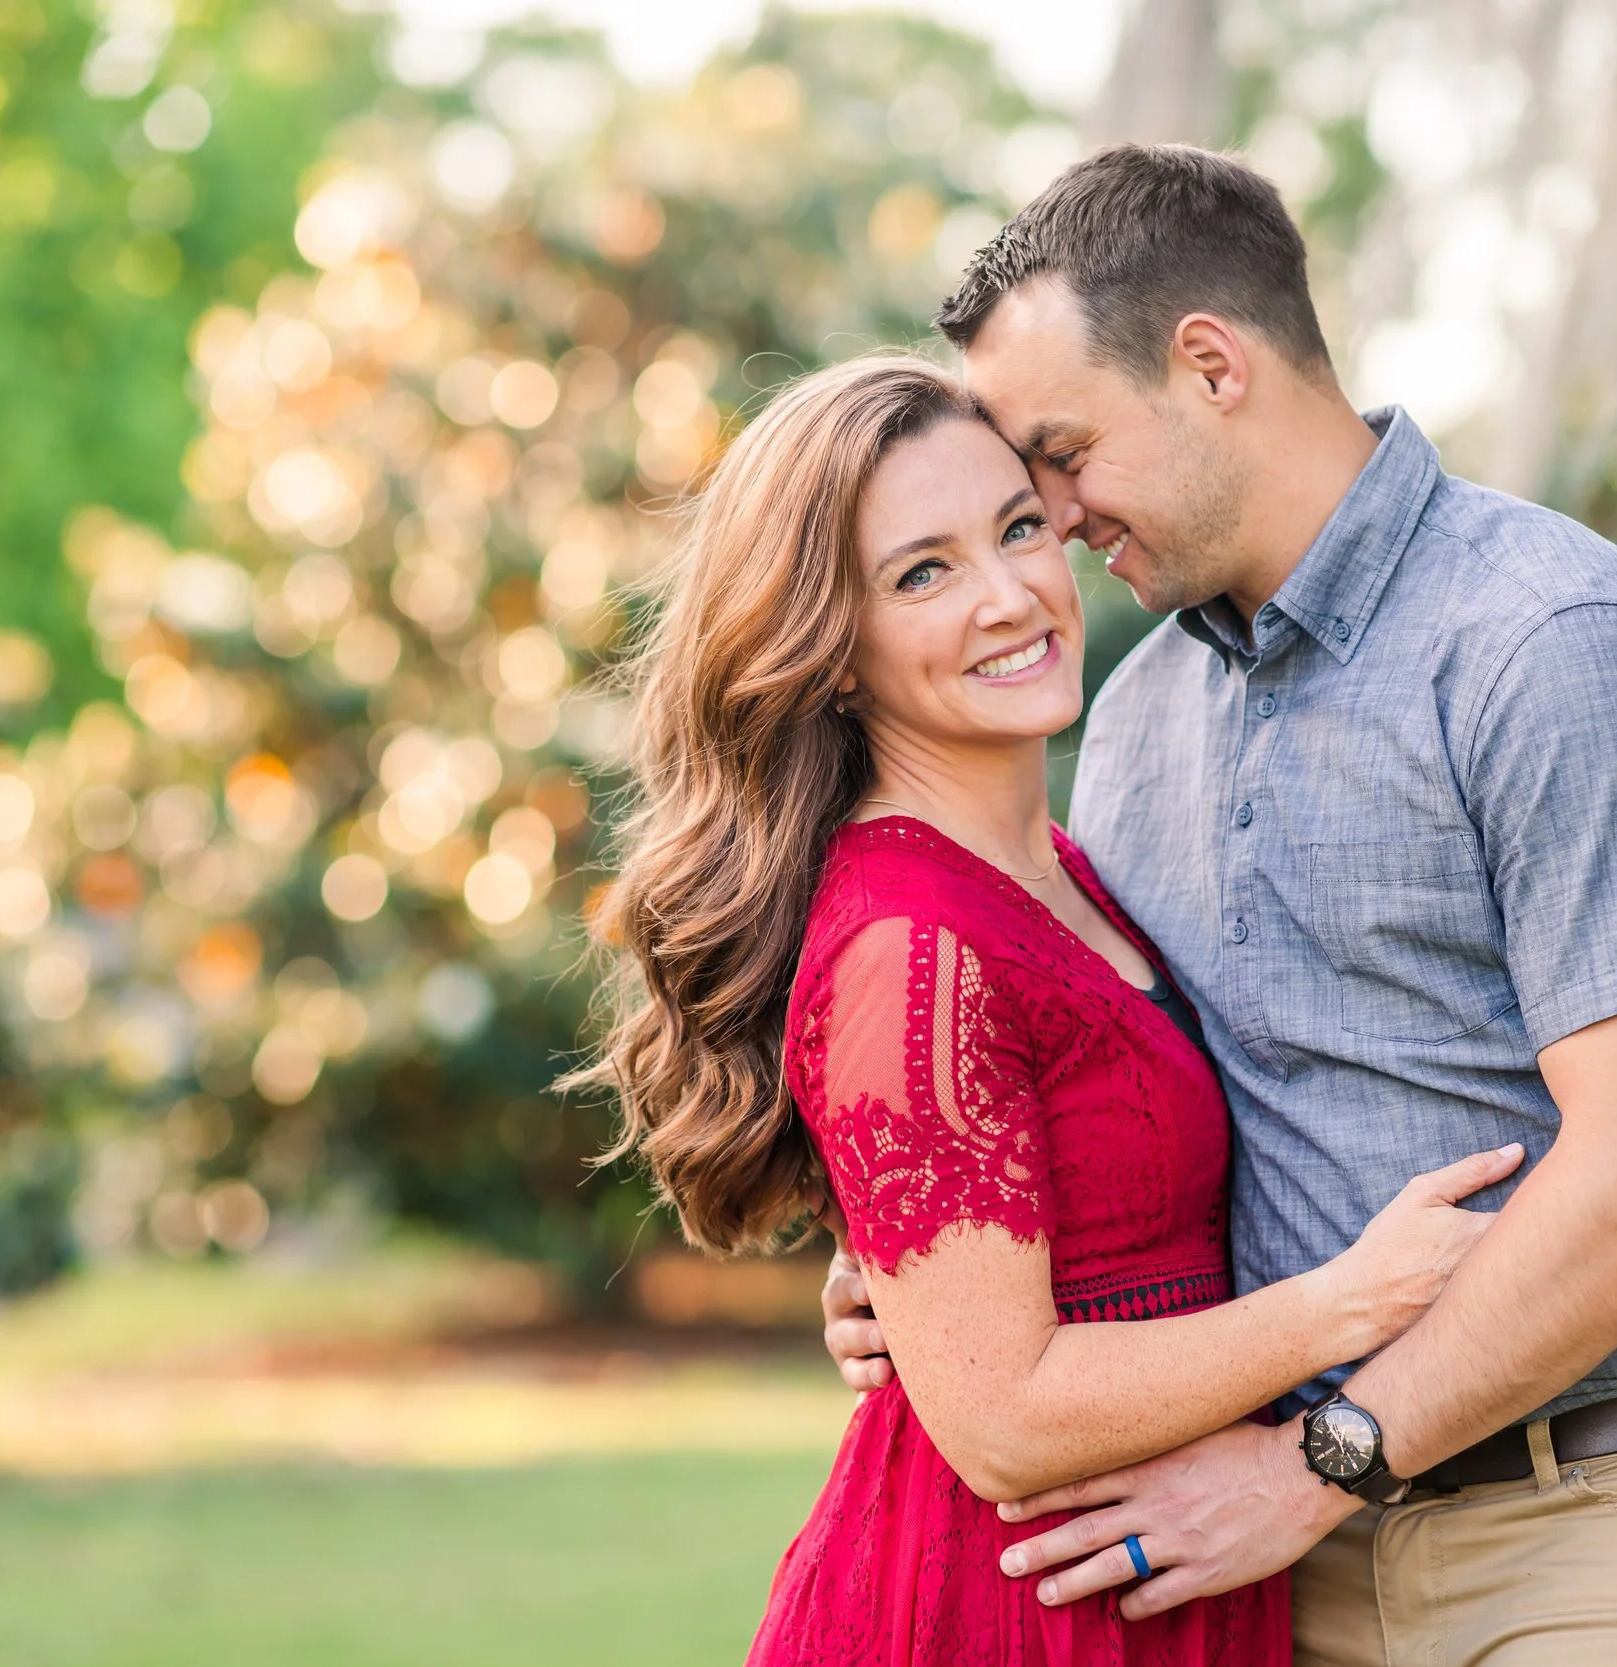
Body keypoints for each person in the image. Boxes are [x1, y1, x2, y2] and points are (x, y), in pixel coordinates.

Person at [822, 145, 1617, 1666]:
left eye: (1065, 453)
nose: (1057, 518)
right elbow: (1146, 1108)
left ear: (1210, 365)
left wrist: (1325, 1454)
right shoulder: (1134, 717)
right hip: (1259, 1550)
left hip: (1594, 1515)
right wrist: (930, 1256)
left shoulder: (1548, 641)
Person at [577, 350, 1527, 1665]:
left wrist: (906, 1287)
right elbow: (1006, 1413)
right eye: (924, 571)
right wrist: (1352, 1301)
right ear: (833, 652)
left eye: (1019, 528)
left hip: (1153, 1573)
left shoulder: (1062, 871)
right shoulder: (910, 940)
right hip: (1005, 1606)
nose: (1012, 592)